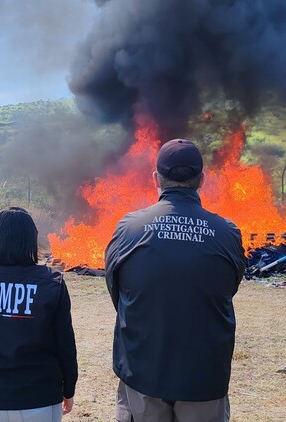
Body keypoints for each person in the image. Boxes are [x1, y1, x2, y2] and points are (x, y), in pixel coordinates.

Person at [105, 139, 246, 422]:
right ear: (202, 179)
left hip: (143, 372)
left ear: (156, 178)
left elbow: (117, 292)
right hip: (203, 376)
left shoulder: (129, 228)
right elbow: (229, 287)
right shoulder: (227, 232)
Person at [0, 206, 78, 422]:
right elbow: (65, 344)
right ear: (31, 240)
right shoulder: (51, 283)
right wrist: (68, 387)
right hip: (39, 398)